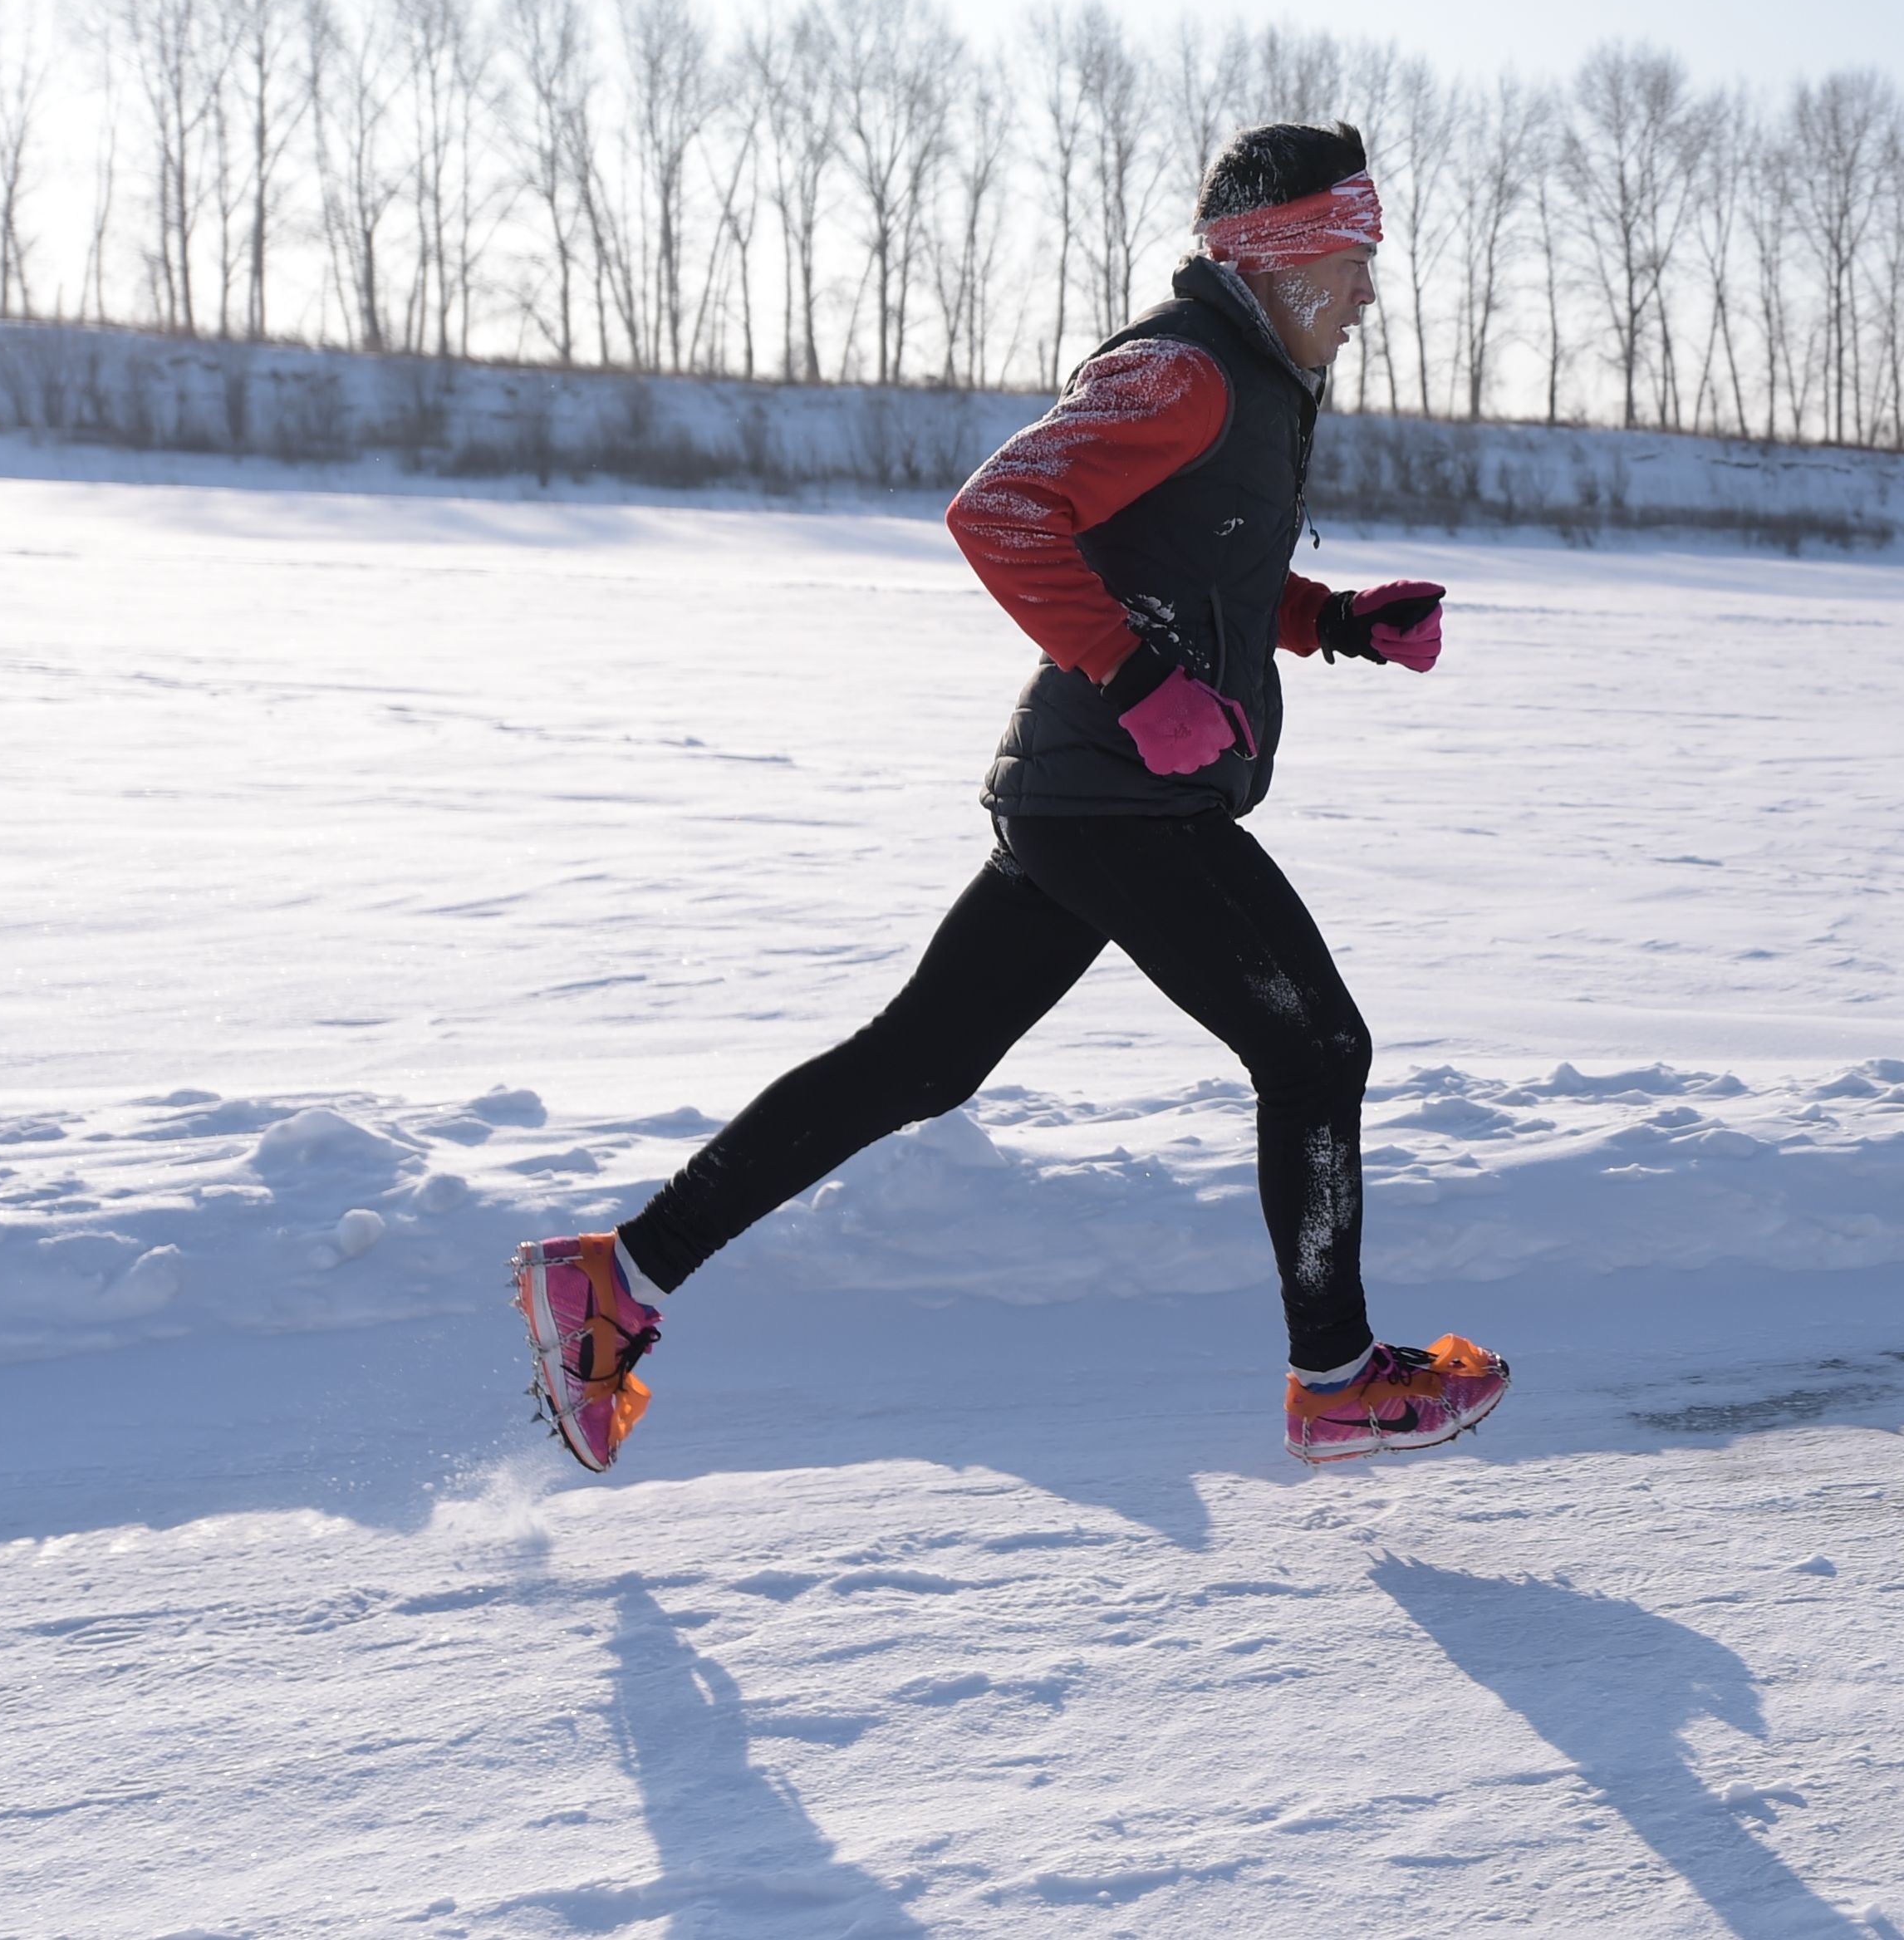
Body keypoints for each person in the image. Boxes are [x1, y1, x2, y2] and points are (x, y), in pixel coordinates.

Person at [513, 120, 1507, 1475]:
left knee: (919, 1063)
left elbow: (1188, 564)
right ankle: (1335, 1377)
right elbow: (1003, 507)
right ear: (1276, 257)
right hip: (1118, 797)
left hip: (1096, 800)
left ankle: (621, 1277)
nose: (1370, 292)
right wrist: (1136, 677)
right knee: (1316, 1048)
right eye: (1352, 257)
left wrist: (1332, 622)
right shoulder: (1183, 371)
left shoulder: (1248, 378)